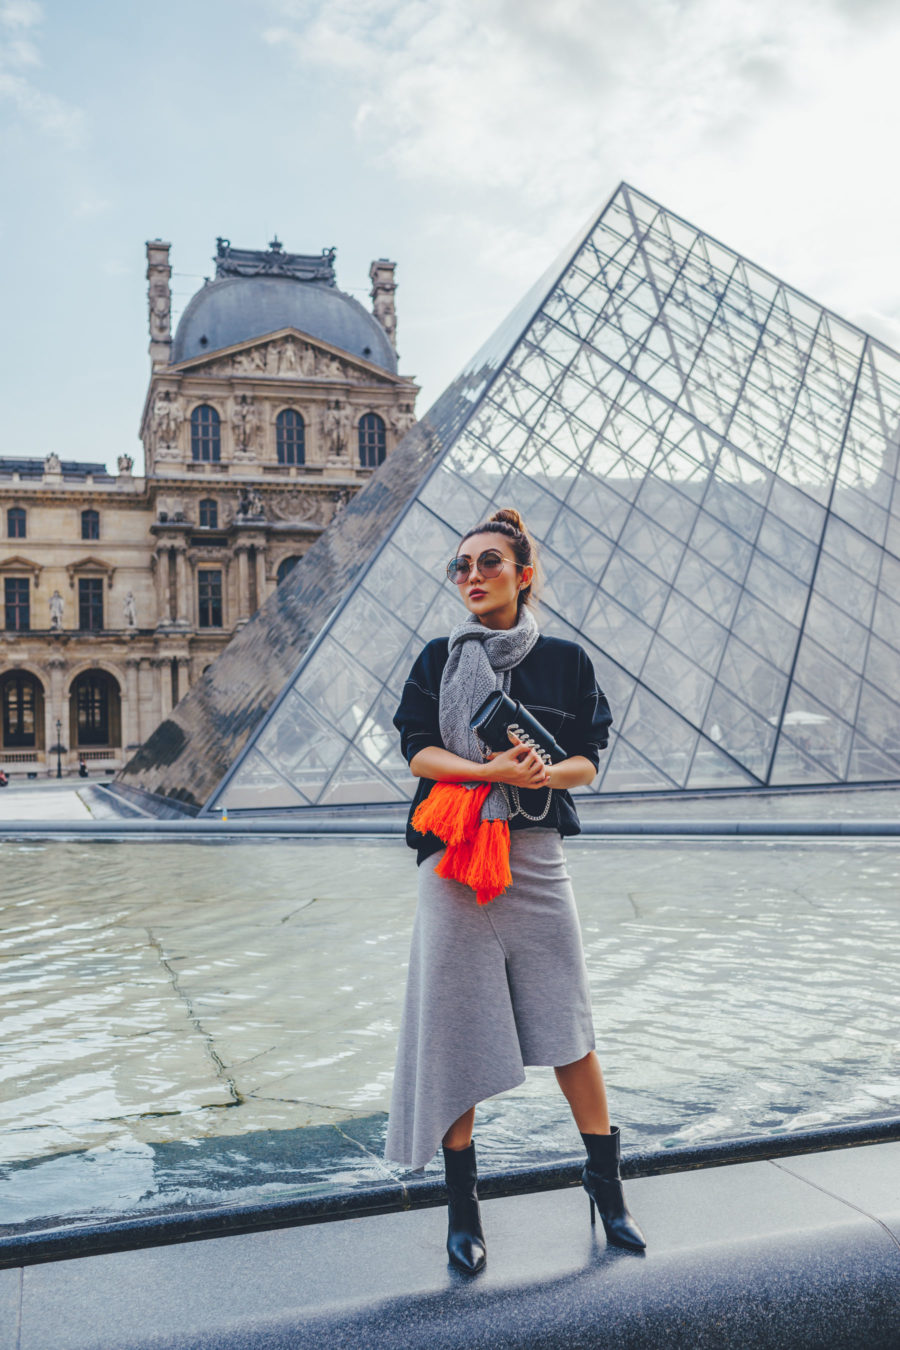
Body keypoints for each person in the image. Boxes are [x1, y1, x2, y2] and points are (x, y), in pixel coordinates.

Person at [386, 506, 646, 1275]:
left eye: (489, 563)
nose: (472, 576)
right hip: (454, 860)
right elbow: (418, 753)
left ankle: (608, 1191)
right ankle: (463, 1213)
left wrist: (541, 772)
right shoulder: (438, 658)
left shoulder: (566, 660)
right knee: (456, 1028)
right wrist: (489, 773)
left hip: (532, 857)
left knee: (568, 1024)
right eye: (461, 567)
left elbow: (586, 762)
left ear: (524, 575)